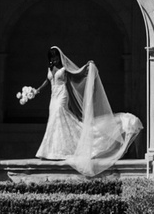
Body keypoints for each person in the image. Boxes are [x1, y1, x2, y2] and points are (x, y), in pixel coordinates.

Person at [17, 45, 142, 177]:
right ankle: (53, 150)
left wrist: (87, 67)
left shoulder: (64, 69)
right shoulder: (50, 68)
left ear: (60, 56)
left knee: (59, 114)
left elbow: (77, 74)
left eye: (56, 56)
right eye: (52, 56)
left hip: (62, 95)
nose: (54, 59)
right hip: (53, 97)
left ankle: (64, 150)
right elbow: (47, 81)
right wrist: (36, 90)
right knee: (53, 119)